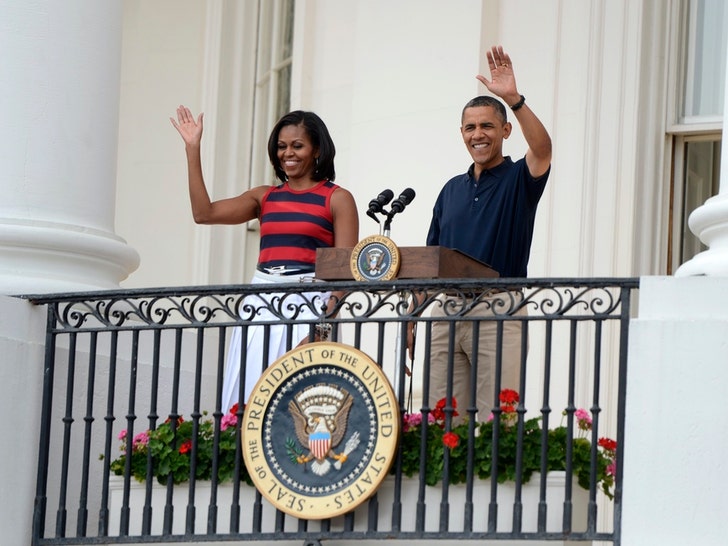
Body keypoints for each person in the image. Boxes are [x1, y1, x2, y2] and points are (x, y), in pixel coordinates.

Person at [171, 106, 359, 411]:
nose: (288, 153)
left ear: (317, 150)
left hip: (309, 299)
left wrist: (325, 322)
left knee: (299, 400)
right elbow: (203, 213)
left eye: (298, 146)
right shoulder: (265, 196)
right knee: (247, 394)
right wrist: (192, 149)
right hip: (261, 299)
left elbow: (347, 270)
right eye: (282, 147)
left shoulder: (337, 198)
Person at [407, 45, 552, 422]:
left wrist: (514, 100)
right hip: (447, 309)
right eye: (470, 127)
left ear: (505, 130)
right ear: (461, 133)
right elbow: (432, 257)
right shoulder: (450, 189)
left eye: (487, 125)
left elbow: (543, 148)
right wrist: (413, 315)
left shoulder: (519, 178)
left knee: (496, 422)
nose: (478, 134)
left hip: (498, 307)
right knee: (441, 421)